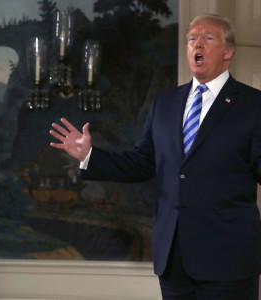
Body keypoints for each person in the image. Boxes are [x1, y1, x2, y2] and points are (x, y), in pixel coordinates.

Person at [49, 14, 261, 299]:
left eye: (208, 38)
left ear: (228, 51)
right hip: (173, 261)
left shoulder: (253, 105)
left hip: (229, 260)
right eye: (191, 39)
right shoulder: (165, 104)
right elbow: (142, 162)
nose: (197, 43)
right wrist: (89, 155)